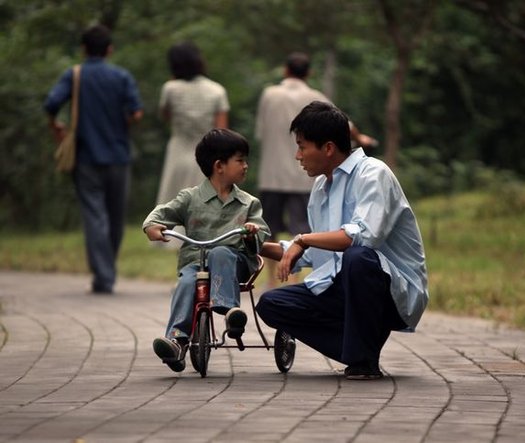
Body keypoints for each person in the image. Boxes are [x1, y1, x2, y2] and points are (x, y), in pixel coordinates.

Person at [257, 101, 429, 380]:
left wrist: (303, 239)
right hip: (345, 286)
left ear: (327, 148)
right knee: (271, 304)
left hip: (392, 290)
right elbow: (314, 252)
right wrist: (254, 245)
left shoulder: (373, 173)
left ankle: (363, 360)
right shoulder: (321, 186)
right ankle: (358, 347)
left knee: (357, 257)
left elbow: (363, 237)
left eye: (302, 146)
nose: (297, 156)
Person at [143, 128, 270, 372]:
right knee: (186, 283)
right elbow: (161, 213)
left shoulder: (248, 203)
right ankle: (177, 341)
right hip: (196, 264)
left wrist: (253, 230)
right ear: (219, 166)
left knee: (220, 252)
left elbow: (261, 236)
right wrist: (152, 226)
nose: (246, 166)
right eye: (240, 160)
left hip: (235, 263)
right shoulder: (190, 198)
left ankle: (229, 311)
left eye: (246, 160)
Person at [255, 52, 377, 287]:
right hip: (302, 178)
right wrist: (360, 137)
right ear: (309, 73)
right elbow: (342, 124)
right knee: (300, 226)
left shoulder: (269, 95)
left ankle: (271, 279)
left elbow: (260, 131)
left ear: (285, 71)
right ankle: (293, 279)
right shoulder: (316, 97)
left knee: (269, 226)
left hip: (271, 172)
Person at [44, 24, 144, 294]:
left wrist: (57, 127)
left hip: (86, 157)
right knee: (115, 217)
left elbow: (51, 103)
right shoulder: (121, 77)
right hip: (119, 156)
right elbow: (136, 113)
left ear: (83, 49)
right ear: (109, 49)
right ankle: (106, 271)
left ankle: (104, 275)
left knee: (94, 217)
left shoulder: (74, 75)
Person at [156, 41, 230, 206]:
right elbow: (222, 131)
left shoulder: (170, 88)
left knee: (173, 199)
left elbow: (165, 115)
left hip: (178, 150)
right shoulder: (217, 90)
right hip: (206, 153)